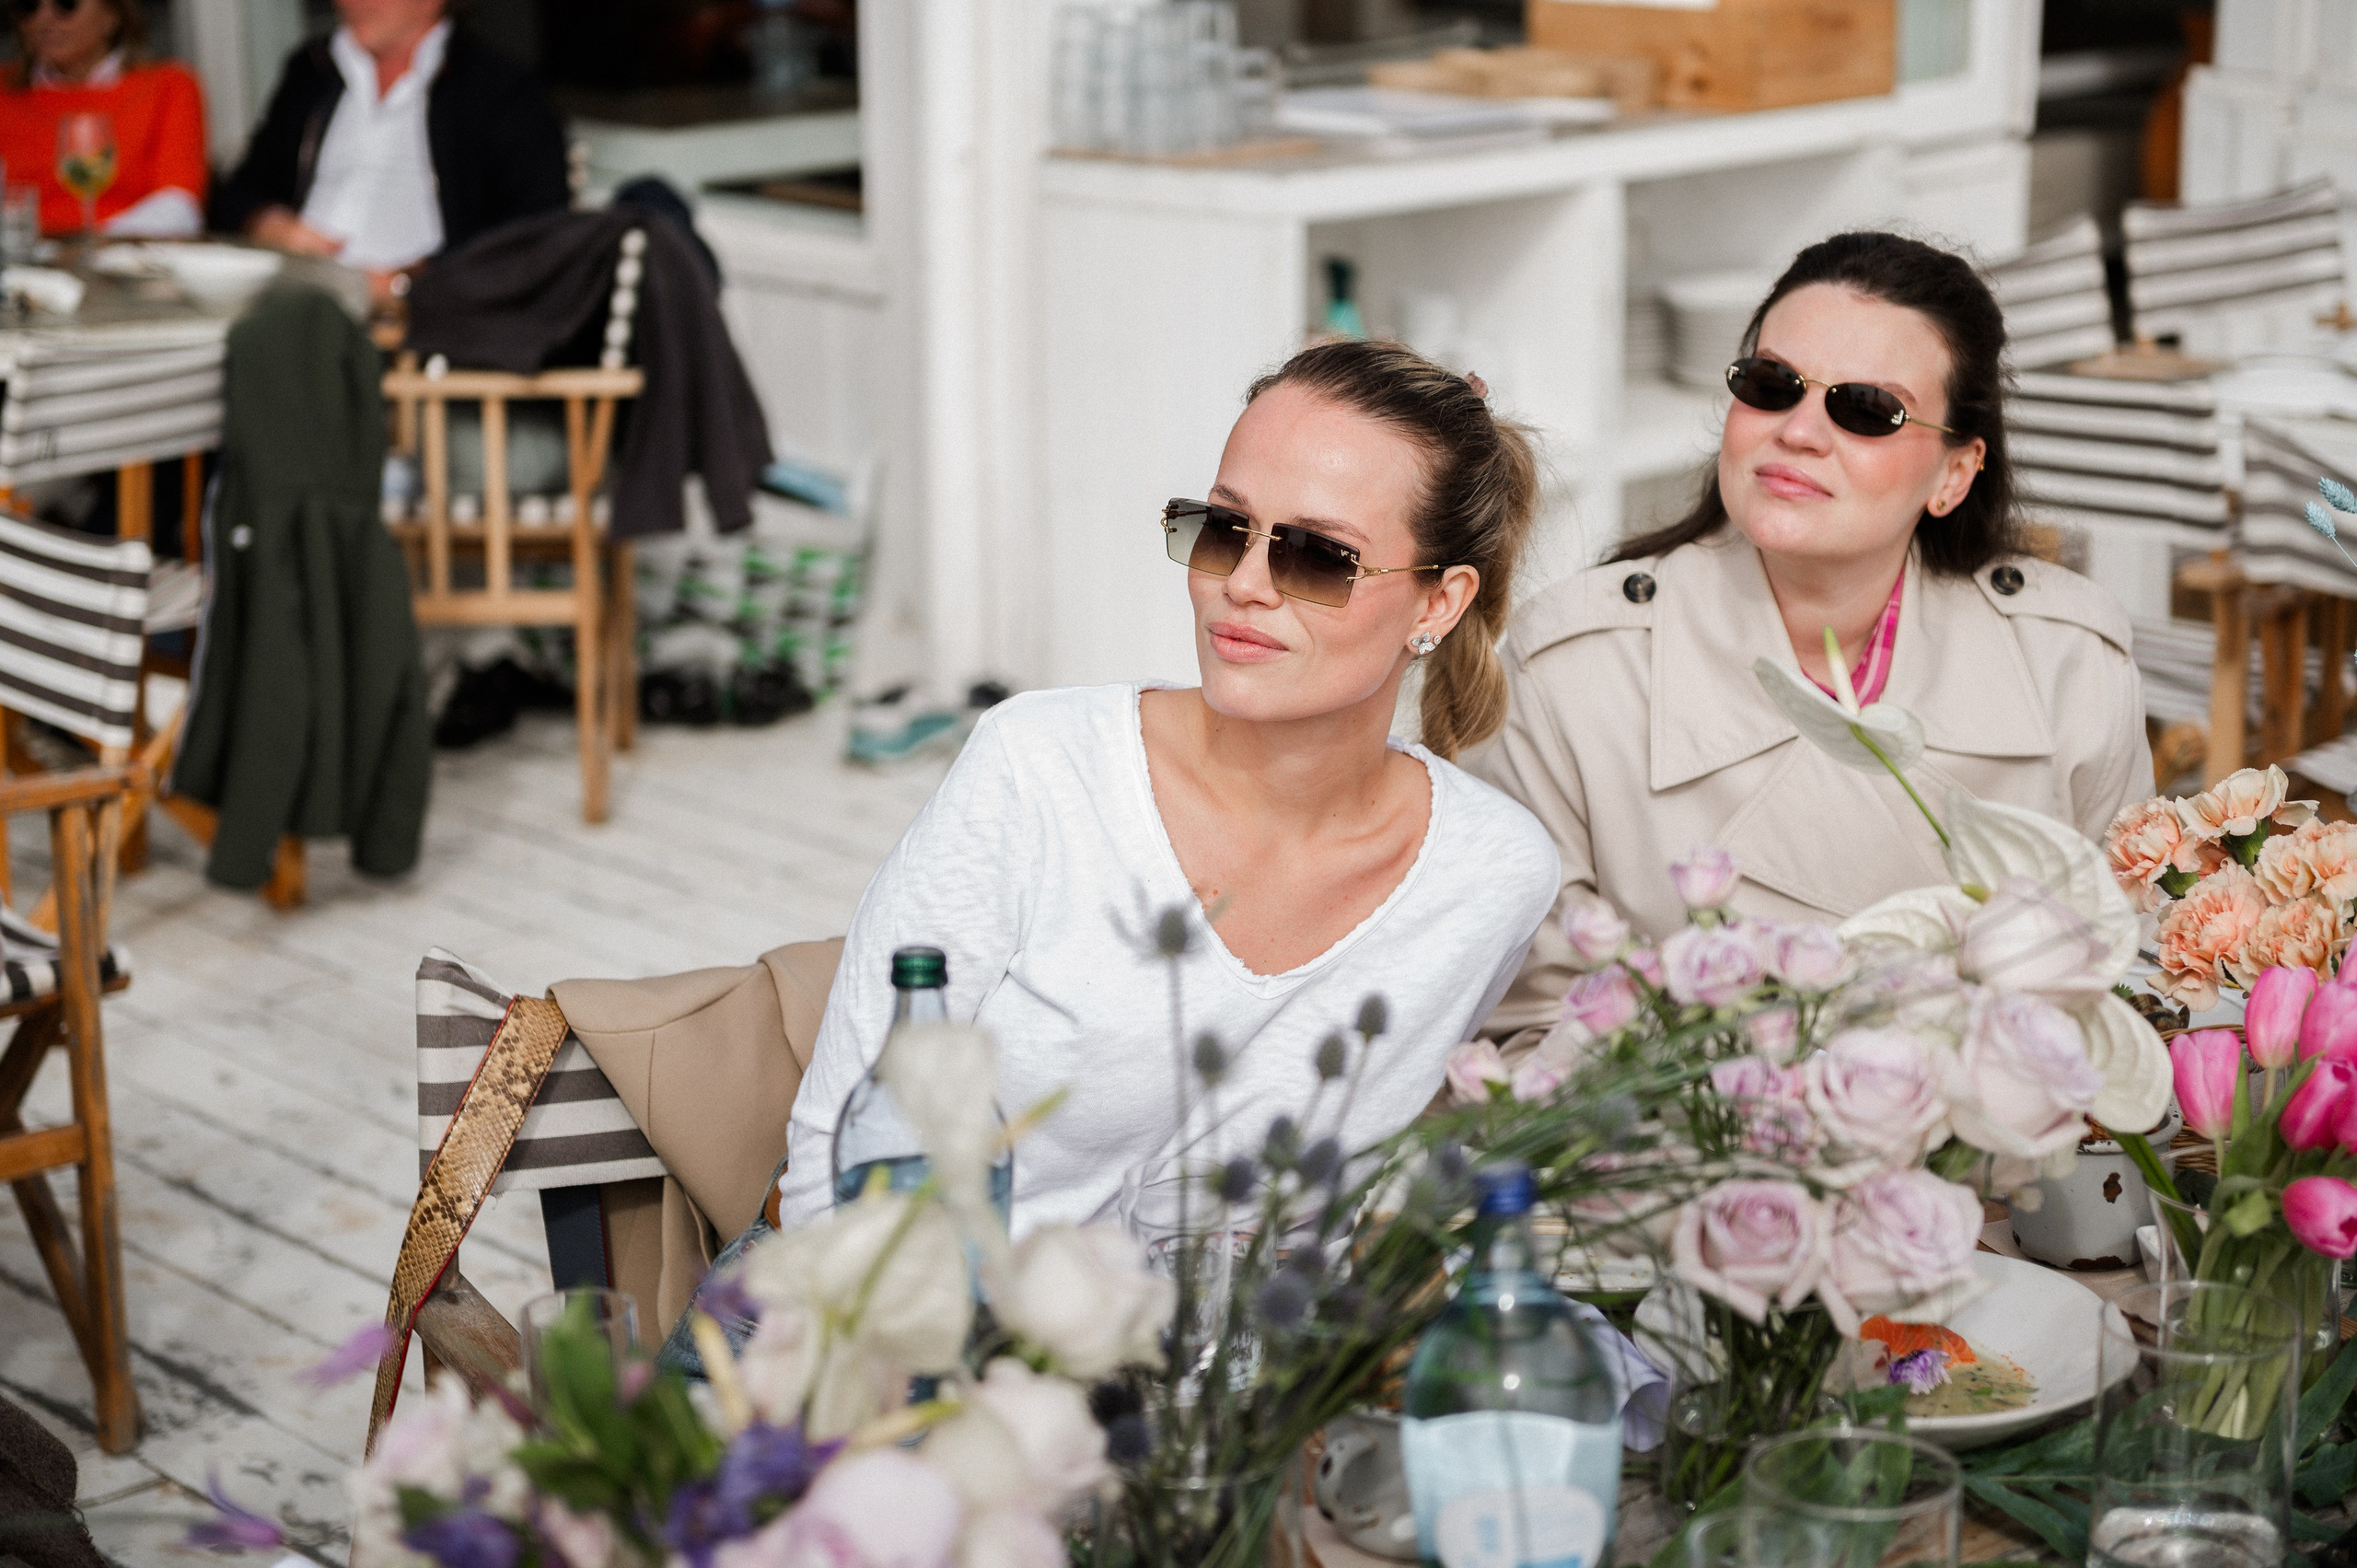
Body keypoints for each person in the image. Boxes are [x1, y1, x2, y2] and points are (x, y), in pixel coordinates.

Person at [772, 339, 1561, 1237]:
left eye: (1315, 556)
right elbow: (834, 1168)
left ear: (1437, 603)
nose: (1244, 586)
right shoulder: (1037, 767)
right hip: (885, 1324)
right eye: (1224, 529)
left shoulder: (1492, 876)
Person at [1469, 231, 2148, 1050]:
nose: (1798, 431)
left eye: (1867, 409)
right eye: (1772, 384)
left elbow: (2121, 1003)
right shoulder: (1574, 672)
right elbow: (1526, 1036)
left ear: (1954, 473)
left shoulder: (2069, 666)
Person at [213, 0, 567, 301]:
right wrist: (271, 224)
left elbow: (532, 236)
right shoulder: (312, 71)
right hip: (293, 293)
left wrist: (407, 284)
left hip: (425, 320)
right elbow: (236, 193)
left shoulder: (500, 90)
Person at [0, 0, 207, 237]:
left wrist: (90, 249)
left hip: (129, 260)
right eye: (29, 7)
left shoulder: (168, 86)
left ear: (112, 15)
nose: (43, 20)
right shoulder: (4, 91)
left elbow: (178, 206)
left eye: (65, 5)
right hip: (22, 262)